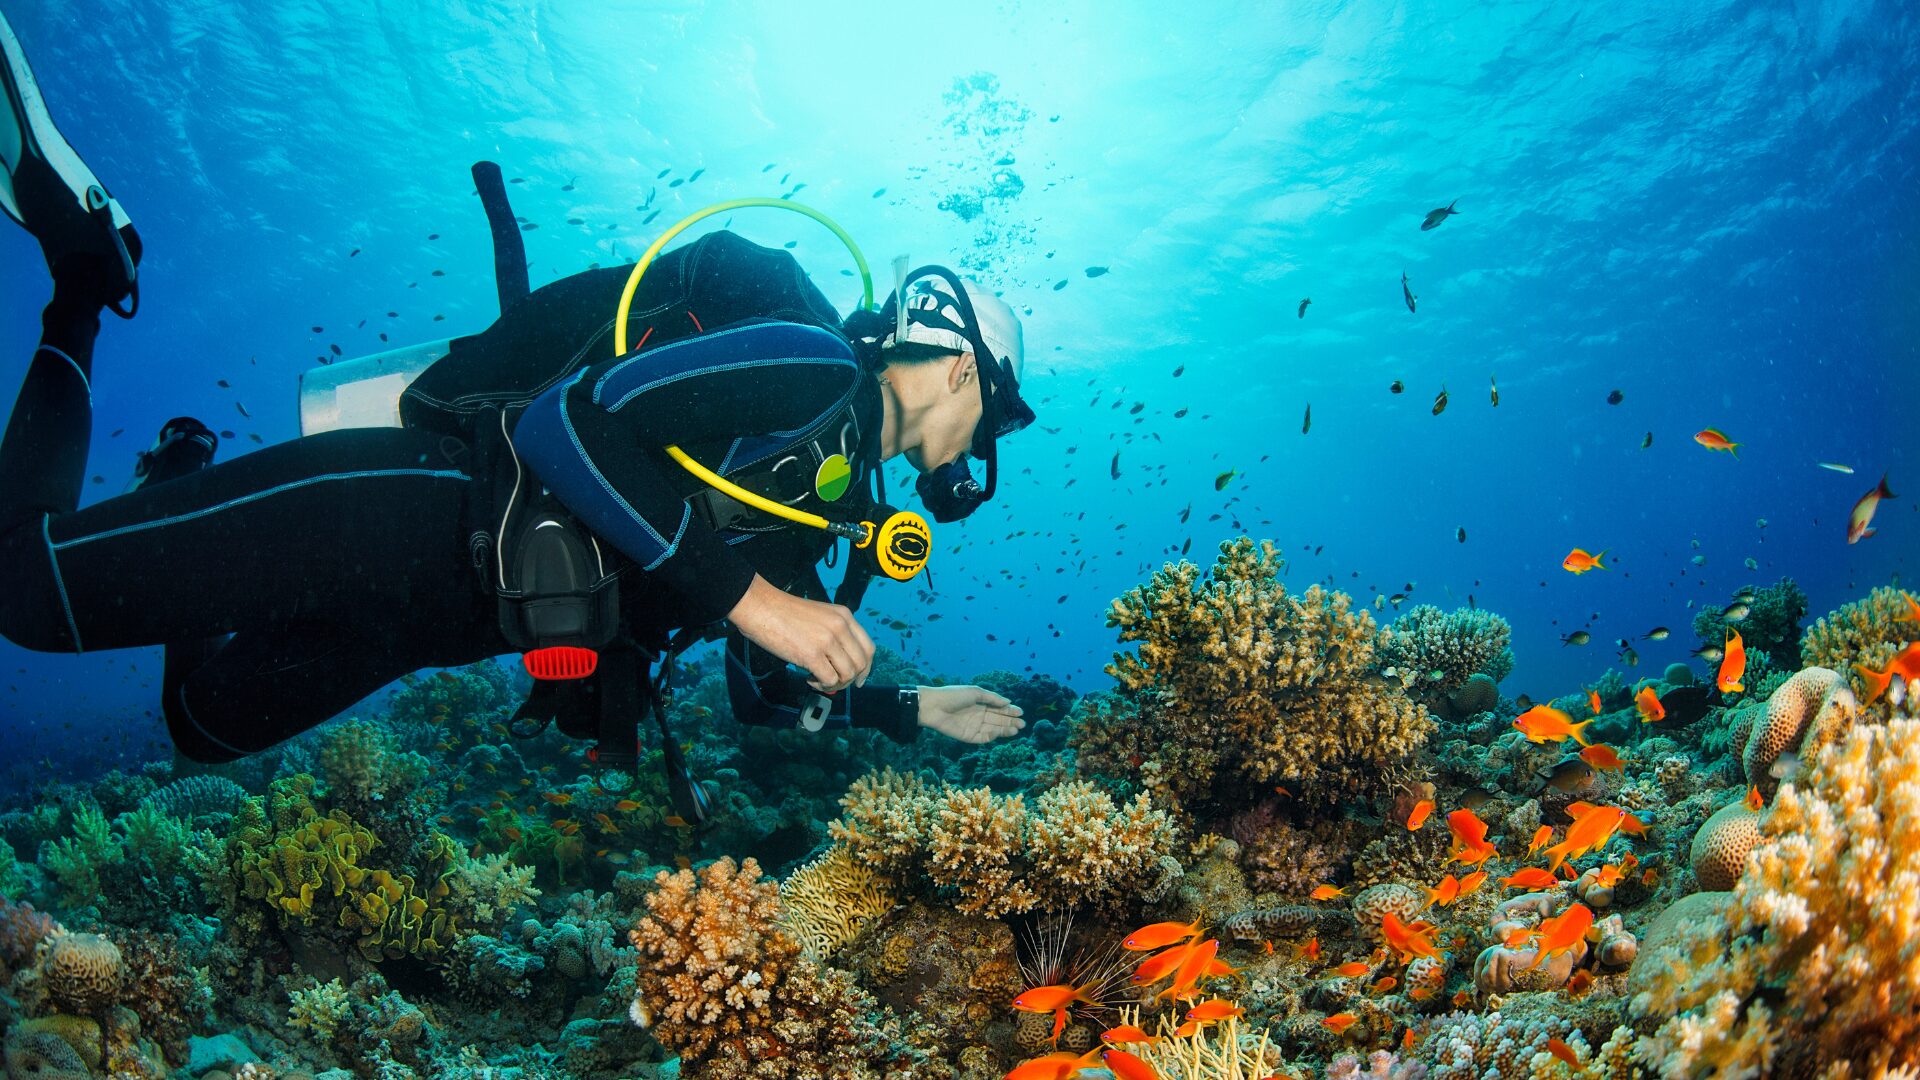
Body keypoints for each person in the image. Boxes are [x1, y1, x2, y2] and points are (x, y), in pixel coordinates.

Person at [0, 12, 1028, 813]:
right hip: (412, 512)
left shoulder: (830, 507)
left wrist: (910, 707)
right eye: (996, 412)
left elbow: (763, 697)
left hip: (429, 626)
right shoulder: (810, 366)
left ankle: (177, 473)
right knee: (22, 592)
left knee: (200, 727)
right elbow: (567, 425)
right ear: (957, 373)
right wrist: (758, 602)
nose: (983, 446)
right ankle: (85, 280)